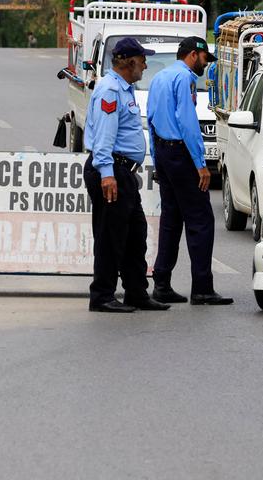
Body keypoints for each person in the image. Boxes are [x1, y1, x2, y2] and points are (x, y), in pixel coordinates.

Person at [83, 38, 171, 313]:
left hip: (123, 172)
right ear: (130, 62)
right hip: (111, 171)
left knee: (135, 234)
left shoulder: (124, 88)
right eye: (143, 60)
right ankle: (102, 295)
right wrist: (107, 174)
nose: (145, 66)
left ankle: (136, 292)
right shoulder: (110, 91)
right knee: (111, 236)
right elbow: (103, 137)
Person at [147, 36, 233, 306]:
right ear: (194, 54)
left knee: (171, 220)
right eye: (205, 58)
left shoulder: (159, 78)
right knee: (201, 220)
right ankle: (202, 288)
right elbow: (187, 122)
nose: (206, 65)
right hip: (182, 154)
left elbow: (151, 119)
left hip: (164, 152)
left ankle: (161, 283)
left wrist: (157, 160)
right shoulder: (185, 79)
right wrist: (200, 164)